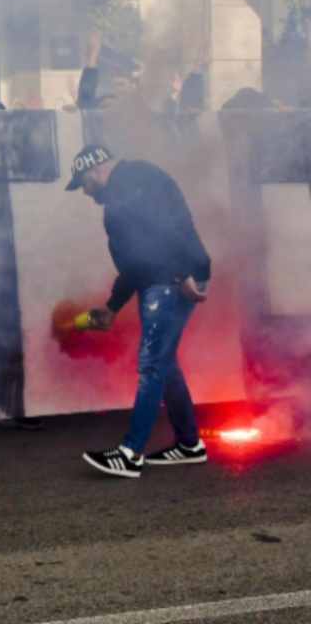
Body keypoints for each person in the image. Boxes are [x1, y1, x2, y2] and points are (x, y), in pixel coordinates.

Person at [66, 144, 211, 478]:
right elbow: (134, 264)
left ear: (95, 169)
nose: (86, 193)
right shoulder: (120, 196)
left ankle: (131, 453)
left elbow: (171, 225)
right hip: (165, 279)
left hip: (171, 281)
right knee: (164, 362)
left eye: (84, 184)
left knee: (151, 364)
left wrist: (181, 272)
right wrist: (113, 308)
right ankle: (189, 444)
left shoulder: (136, 180)